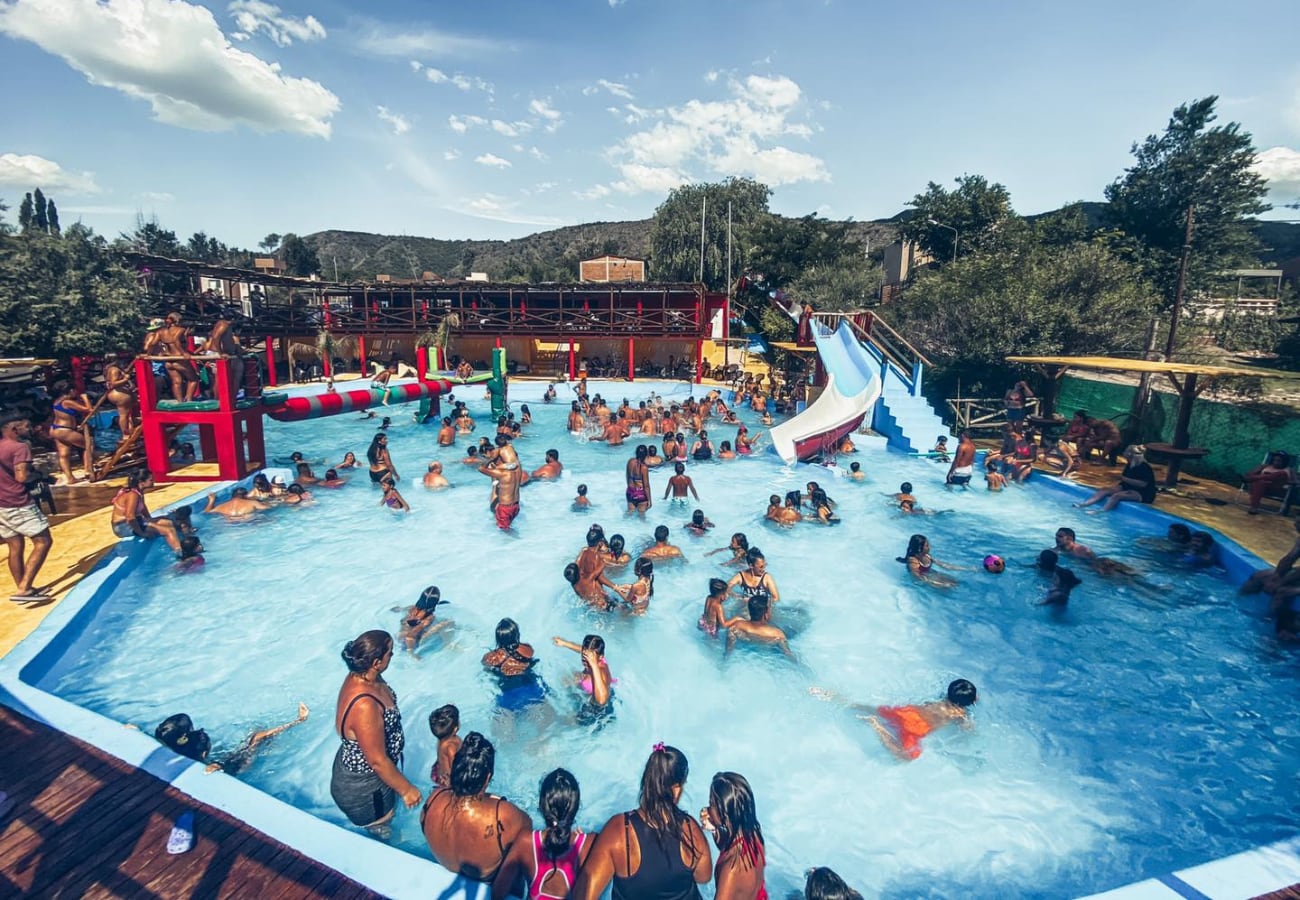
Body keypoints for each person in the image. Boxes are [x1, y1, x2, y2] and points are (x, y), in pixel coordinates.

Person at [572, 744, 711, 899]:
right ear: (676, 789)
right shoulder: (691, 830)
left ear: (647, 779)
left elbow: (584, 895)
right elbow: (704, 877)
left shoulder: (618, 831)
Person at [330, 630, 420, 840]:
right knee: (384, 829)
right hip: (366, 789)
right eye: (390, 653)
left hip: (365, 772)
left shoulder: (364, 675)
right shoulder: (364, 705)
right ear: (377, 662)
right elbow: (378, 761)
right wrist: (406, 789)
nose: (393, 655)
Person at [422, 732, 533, 884]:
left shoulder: (433, 800)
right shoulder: (501, 814)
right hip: (489, 883)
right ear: (487, 777)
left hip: (447, 866)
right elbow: (528, 827)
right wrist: (496, 802)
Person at [494, 767, 591, 900]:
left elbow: (498, 893)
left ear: (541, 805)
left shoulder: (526, 841)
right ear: (576, 806)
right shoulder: (590, 845)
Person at [155, 703, 308, 774]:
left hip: (210, 762)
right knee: (256, 737)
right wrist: (298, 721)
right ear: (204, 752)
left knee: (256, 734)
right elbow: (258, 738)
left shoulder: (171, 752)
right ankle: (298, 721)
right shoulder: (218, 764)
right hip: (232, 768)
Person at [0, 415, 54, 601]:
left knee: (15, 546)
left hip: (1, 504)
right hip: (18, 502)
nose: (30, 429)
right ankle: (24, 589)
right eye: (26, 426)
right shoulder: (20, 448)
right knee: (43, 541)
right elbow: (21, 477)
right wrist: (39, 474)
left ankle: (24, 586)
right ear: (14, 429)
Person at [863, 679, 977, 761]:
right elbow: (967, 729)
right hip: (917, 728)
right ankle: (876, 725)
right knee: (907, 756)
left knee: (877, 710)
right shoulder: (959, 714)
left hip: (908, 711)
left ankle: (855, 706)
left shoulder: (943, 698)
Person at [699, 772, 767, 900]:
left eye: (711, 804)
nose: (708, 808)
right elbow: (728, 847)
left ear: (724, 813)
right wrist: (714, 828)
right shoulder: (754, 835)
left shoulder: (731, 870)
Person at [111, 469, 184, 554]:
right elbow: (129, 516)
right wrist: (141, 533)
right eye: (150, 480)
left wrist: (150, 520)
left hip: (134, 521)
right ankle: (181, 555)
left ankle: (182, 543)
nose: (153, 481)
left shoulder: (138, 491)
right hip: (123, 526)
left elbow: (143, 507)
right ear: (141, 482)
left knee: (169, 522)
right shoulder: (132, 495)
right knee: (169, 530)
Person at [1075, 445, 1157, 511]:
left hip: (1144, 493)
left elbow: (1143, 484)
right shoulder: (1130, 465)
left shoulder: (1144, 467)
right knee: (1105, 490)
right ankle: (1085, 504)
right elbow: (1124, 480)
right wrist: (1114, 486)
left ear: (1130, 455)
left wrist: (1123, 479)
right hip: (1129, 487)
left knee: (1116, 496)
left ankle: (1101, 511)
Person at [49, 384, 94, 485]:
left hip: (55, 429)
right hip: (64, 430)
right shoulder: (67, 402)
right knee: (88, 445)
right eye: (75, 390)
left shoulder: (57, 401)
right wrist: (85, 398)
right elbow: (89, 409)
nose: (76, 393)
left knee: (64, 455)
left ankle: (70, 478)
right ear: (70, 391)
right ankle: (88, 470)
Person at [553, 634, 613, 706]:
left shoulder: (601, 671)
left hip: (595, 710)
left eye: (589, 658)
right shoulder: (599, 658)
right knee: (565, 678)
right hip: (585, 690)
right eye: (584, 655)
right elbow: (584, 650)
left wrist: (594, 665)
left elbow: (601, 701)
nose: (585, 660)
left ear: (601, 657)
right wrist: (565, 643)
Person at [722, 593, 789, 656]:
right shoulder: (777, 634)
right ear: (766, 612)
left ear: (749, 610)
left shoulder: (737, 626)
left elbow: (729, 650)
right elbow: (787, 653)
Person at [400, 585, 452, 655]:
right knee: (447, 622)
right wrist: (411, 652)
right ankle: (450, 644)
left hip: (400, 637)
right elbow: (410, 635)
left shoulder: (411, 608)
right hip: (409, 644)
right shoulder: (429, 617)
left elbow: (396, 609)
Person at [575, 527, 618, 608]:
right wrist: (616, 587)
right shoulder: (596, 557)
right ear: (600, 543)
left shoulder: (582, 554)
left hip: (587, 598)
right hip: (600, 600)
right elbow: (599, 578)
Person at [480, 451, 523, 530]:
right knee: (507, 526)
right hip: (515, 506)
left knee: (504, 530)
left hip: (505, 507)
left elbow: (481, 468)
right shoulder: (518, 469)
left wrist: (491, 459)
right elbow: (515, 461)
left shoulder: (502, 473)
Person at [102, 354, 138, 439]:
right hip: (119, 393)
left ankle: (129, 431)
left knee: (127, 414)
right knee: (124, 415)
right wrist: (126, 379)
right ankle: (125, 434)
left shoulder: (108, 369)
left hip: (118, 393)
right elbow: (113, 383)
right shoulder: (114, 369)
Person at [429, 704, 461, 789]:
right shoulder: (451, 747)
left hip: (438, 770)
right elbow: (455, 768)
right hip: (447, 779)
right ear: (455, 729)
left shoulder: (442, 738)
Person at [203, 485, 270, 518]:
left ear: (232, 496)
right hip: (248, 522)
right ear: (245, 496)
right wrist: (265, 499)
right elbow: (268, 507)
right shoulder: (253, 503)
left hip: (228, 524)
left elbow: (207, 512)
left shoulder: (221, 506)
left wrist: (212, 500)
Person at [625, 445, 652, 516]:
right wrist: (649, 500)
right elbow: (646, 486)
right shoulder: (644, 468)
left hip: (630, 491)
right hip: (640, 493)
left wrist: (630, 488)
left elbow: (627, 476)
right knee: (641, 516)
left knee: (629, 513)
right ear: (646, 454)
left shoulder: (630, 462)